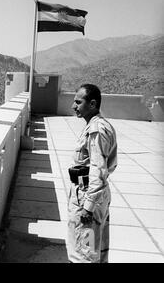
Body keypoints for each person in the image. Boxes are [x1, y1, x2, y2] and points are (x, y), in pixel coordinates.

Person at [67, 84, 117, 263]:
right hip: (95, 195)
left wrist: (87, 206)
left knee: (84, 252)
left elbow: (98, 169)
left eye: (78, 102)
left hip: (88, 197)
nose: (74, 106)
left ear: (93, 104)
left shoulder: (97, 130)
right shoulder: (98, 125)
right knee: (97, 250)